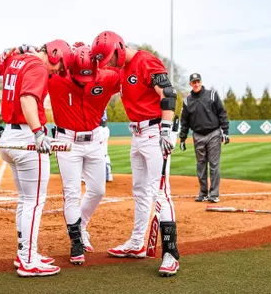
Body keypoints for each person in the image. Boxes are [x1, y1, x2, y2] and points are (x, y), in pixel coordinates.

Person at [91, 31, 180, 276]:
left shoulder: (145, 61)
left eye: (110, 59)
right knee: (140, 190)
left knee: (160, 192)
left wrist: (166, 128)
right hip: (137, 133)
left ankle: (171, 253)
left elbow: (168, 94)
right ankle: (137, 243)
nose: (108, 64)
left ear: (120, 48)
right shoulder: (119, 69)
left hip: (154, 132)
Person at [0, 39, 73, 277]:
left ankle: (24, 253)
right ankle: (28, 260)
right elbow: (27, 99)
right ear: (54, 55)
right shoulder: (37, 66)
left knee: (26, 200)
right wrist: (39, 133)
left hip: (9, 136)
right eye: (59, 66)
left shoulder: (17, 60)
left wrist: (10, 51)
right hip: (27, 138)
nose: (57, 72)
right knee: (34, 202)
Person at [48, 44, 120, 265]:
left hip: (95, 139)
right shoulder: (55, 77)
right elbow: (29, 69)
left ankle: (81, 224)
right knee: (71, 193)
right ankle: (76, 241)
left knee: (98, 190)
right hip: (67, 142)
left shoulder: (107, 77)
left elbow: (130, 71)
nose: (83, 81)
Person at [179, 73, 229, 203]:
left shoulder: (212, 95)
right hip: (198, 135)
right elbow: (184, 121)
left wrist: (225, 131)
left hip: (214, 133)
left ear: (201, 82)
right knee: (201, 165)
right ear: (190, 84)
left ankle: (214, 194)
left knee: (214, 164)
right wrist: (182, 138)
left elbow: (222, 113)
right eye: (193, 82)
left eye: (198, 82)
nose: (196, 84)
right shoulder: (187, 100)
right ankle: (203, 192)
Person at [100, 108, 113, 182]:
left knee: (94, 154)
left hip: (99, 129)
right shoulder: (103, 98)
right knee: (104, 153)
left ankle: (106, 175)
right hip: (105, 128)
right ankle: (108, 175)